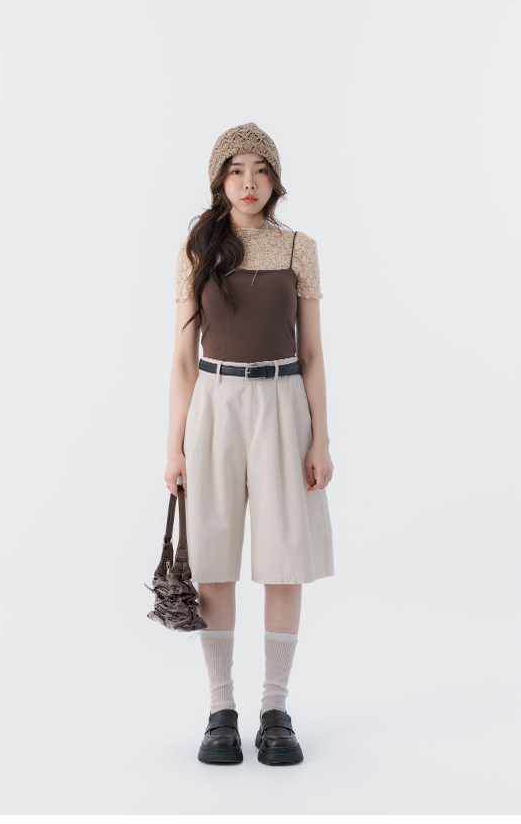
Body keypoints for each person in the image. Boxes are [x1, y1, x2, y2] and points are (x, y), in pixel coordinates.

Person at [165, 122, 335, 765]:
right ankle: (221, 709)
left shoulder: (299, 249)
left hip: (283, 401)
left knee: (284, 555)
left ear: (275, 180)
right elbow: (183, 359)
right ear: (220, 181)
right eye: (236, 170)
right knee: (213, 557)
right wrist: (175, 447)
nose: (249, 182)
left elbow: (312, 351)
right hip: (215, 403)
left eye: (260, 169)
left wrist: (321, 439)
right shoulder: (197, 249)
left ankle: (275, 708)